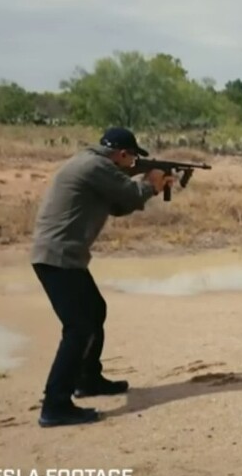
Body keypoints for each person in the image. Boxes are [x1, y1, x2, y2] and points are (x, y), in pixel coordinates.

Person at [29, 126, 174, 428]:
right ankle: (55, 405)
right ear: (122, 154)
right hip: (59, 257)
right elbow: (131, 194)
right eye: (132, 159)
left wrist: (149, 185)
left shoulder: (90, 163)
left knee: (95, 310)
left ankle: (88, 379)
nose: (132, 163)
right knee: (78, 328)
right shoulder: (96, 166)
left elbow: (120, 205)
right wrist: (151, 184)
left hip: (63, 256)